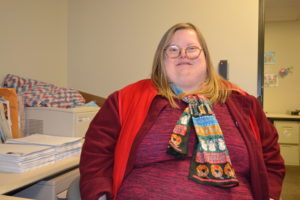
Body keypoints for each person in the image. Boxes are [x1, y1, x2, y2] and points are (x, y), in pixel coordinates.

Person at [79, 23, 285, 200]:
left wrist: (270, 195)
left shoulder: (242, 102)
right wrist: (100, 194)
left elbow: (271, 158)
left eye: (192, 48)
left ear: (205, 56)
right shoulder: (124, 99)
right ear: (161, 58)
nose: (183, 55)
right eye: (173, 49)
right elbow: (96, 155)